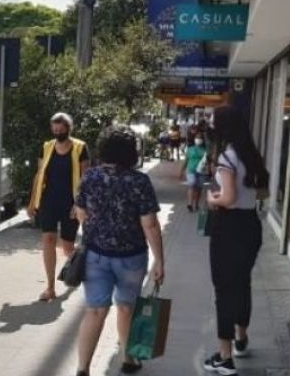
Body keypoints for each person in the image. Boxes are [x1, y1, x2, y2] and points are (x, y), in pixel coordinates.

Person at [74, 125, 164, 376]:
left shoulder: (90, 177)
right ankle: (129, 359)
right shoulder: (139, 181)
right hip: (131, 257)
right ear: (130, 152)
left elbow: (81, 213)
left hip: (95, 255)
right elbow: (150, 224)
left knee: (94, 311)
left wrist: (98, 228)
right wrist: (159, 260)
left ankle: (83, 368)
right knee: (126, 308)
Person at [202, 106, 270, 375]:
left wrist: (211, 198)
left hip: (228, 227)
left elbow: (227, 198)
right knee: (242, 283)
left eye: (213, 120)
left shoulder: (227, 157)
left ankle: (224, 356)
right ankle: (241, 338)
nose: (209, 123)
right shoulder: (252, 156)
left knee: (224, 290)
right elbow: (262, 193)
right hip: (250, 225)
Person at [27, 112, 90, 302]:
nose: (57, 132)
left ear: (68, 129)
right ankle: (50, 287)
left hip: (70, 203)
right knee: (48, 239)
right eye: (54, 128)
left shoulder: (80, 148)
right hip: (49, 201)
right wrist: (32, 203)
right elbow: (39, 176)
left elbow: (86, 178)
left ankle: (78, 272)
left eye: (61, 129)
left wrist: (80, 203)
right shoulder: (46, 147)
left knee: (68, 246)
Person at [181, 135, 207, 212]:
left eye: (200, 138)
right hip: (191, 170)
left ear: (202, 140)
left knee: (199, 188)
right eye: (197, 138)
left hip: (201, 171)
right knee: (191, 185)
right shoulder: (190, 149)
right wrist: (181, 170)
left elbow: (207, 162)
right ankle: (190, 204)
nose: (198, 139)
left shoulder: (205, 150)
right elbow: (186, 160)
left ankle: (196, 204)